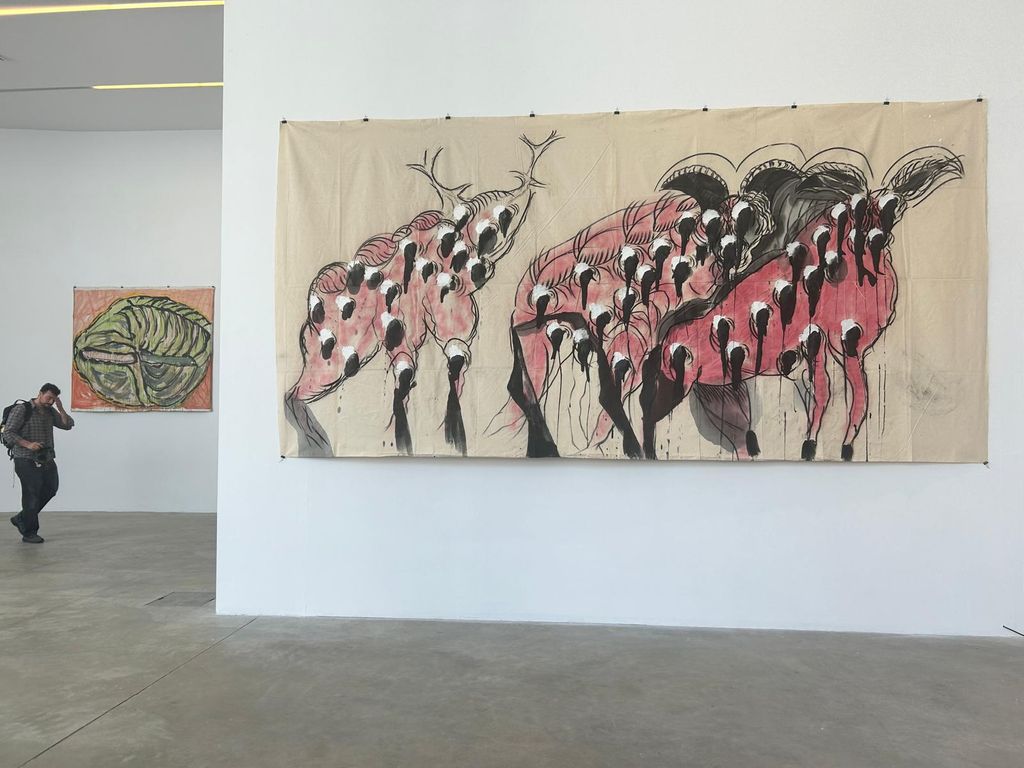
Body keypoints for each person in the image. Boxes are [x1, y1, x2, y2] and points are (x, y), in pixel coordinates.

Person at [2, 383, 74, 543]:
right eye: (49, 398)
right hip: (25, 458)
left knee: (51, 488)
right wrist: (28, 444)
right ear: (40, 393)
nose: (50, 402)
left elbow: (67, 425)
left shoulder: (50, 411)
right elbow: (8, 433)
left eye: (54, 400)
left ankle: (22, 518)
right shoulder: (22, 409)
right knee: (31, 495)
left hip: (46, 458)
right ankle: (29, 532)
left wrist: (60, 408)